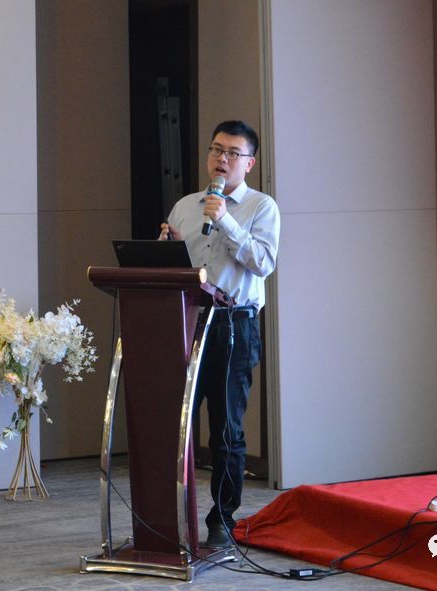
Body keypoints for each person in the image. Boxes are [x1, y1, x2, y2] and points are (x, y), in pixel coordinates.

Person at [158, 120, 280, 548]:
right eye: (215, 150)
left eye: (232, 153)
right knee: (177, 423)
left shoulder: (262, 207)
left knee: (226, 428)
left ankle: (222, 518)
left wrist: (225, 220)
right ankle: (170, 513)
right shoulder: (185, 206)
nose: (221, 159)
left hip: (234, 327)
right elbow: (177, 270)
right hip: (187, 322)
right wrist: (168, 247)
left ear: (249, 163)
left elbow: (263, 262)